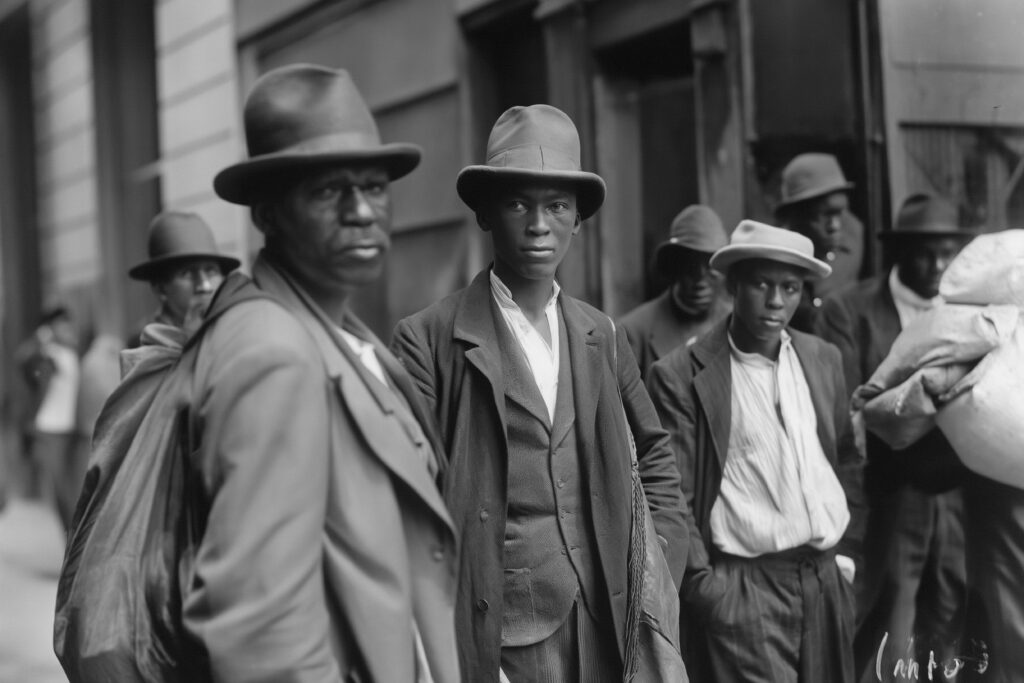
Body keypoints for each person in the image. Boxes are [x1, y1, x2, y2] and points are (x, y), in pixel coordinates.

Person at [173, 64, 458, 681]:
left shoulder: (342, 333)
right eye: (327, 192)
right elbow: (260, 637)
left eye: (373, 187)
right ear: (269, 215)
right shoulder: (273, 352)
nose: (361, 210)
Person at [392, 104, 689, 682]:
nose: (537, 225)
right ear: (484, 213)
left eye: (556, 206)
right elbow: (410, 507)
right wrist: (460, 648)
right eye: (517, 203)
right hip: (501, 634)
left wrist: (657, 574)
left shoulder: (599, 333)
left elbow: (655, 453)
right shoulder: (429, 339)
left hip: (606, 617)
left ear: (578, 219)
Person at [647, 220, 865, 683]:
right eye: (761, 284)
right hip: (746, 588)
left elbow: (846, 458)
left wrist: (850, 555)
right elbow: (672, 496)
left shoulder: (821, 357)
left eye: (790, 288)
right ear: (733, 285)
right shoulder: (682, 374)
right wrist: (707, 591)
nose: (775, 302)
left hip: (826, 580)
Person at [817, 193, 974, 681]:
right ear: (899, 252)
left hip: (956, 495)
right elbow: (848, 408)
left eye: (947, 252)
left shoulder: (966, 311)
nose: (938, 265)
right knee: (888, 620)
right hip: (886, 495)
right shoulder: (852, 310)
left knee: (954, 609)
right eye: (925, 253)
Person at [618, 204, 730, 380]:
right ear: (674, 267)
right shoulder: (634, 332)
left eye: (710, 265)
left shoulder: (736, 323)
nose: (700, 279)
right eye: (691, 265)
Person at [775, 153, 864, 332]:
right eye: (822, 215)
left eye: (840, 213)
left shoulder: (855, 235)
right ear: (795, 216)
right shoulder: (775, 256)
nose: (835, 226)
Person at [126, 211, 240, 346]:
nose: (205, 286)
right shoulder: (149, 344)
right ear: (160, 288)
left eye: (211, 271)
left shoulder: (232, 330)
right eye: (187, 274)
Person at [14, 306, 81, 530]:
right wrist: (39, 340)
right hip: (49, 429)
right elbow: (22, 359)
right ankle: (72, 542)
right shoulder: (45, 355)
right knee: (62, 491)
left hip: (71, 430)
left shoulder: (72, 353)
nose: (67, 329)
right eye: (61, 325)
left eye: (68, 324)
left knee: (74, 488)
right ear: (50, 328)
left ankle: (75, 542)